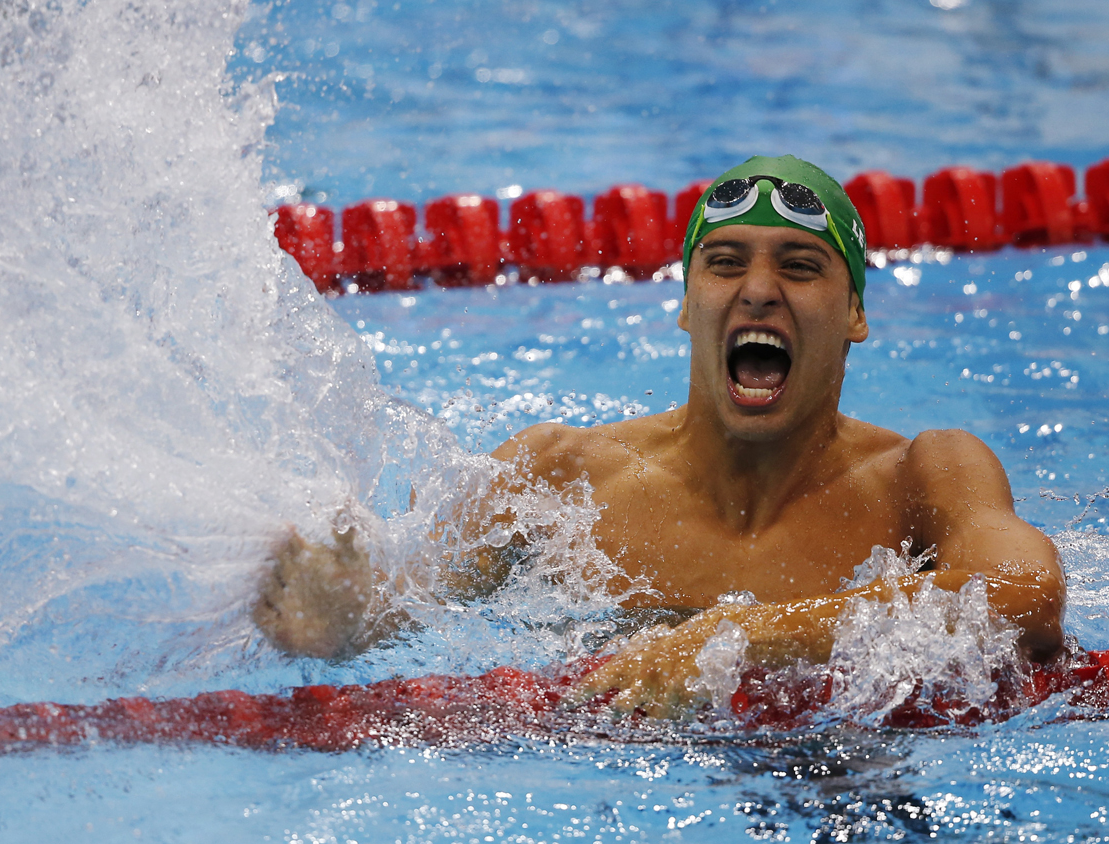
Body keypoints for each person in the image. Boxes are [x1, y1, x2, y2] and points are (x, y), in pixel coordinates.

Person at [253, 155, 1065, 718]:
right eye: (723, 263)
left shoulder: (922, 473)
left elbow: (1026, 598)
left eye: (800, 266)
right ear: (685, 305)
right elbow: (410, 607)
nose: (756, 291)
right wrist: (335, 614)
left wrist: (741, 636)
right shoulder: (557, 476)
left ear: (854, 314)